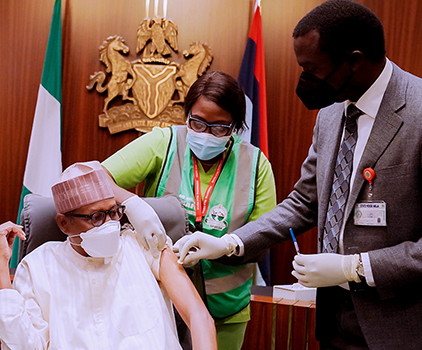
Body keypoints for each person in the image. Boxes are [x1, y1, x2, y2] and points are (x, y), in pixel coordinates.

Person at [174, 1, 422, 349]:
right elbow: (305, 201)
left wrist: (356, 267)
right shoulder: (332, 114)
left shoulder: (418, 112)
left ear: (354, 61)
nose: (305, 80)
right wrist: (232, 242)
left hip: (400, 326)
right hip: (334, 321)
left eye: (311, 68)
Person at [102, 70, 277, 350]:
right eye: (198, 123)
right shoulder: (165, 142)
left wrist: (223, 248)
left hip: (226, 313)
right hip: (156, 303)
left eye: (219, 127)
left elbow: (264, 240)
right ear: (187, 116)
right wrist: (133, 204)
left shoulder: (255, 165)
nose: (206, 134)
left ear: (235, 126)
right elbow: (94, 178)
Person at [0, 161, 217, 350]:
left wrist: (133, 202)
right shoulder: (38, 267)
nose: (109, 224)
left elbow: (199, 317)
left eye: (114, 212)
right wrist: (1, 264)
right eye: (96, 217)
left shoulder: (143, 246)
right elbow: (24, 346)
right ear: (64, 224)